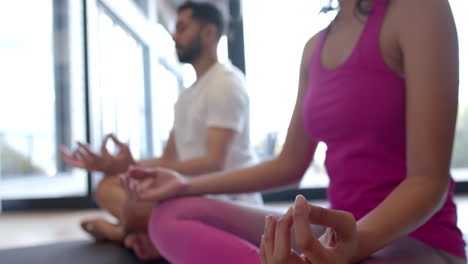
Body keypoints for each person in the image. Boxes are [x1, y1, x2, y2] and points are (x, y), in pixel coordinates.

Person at [121, 0, 467, 263]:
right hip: (339, 231)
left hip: (415, 238)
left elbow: (428, 183)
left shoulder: (418, 10)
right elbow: (289, 164)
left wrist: (357, 241)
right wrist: (184, 185)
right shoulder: (314, 47)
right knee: (171, 214)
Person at [60, 1, 262, 257]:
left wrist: (139, 170)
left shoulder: (226, 83)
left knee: (137, 205)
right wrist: (125, 166)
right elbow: (168, 160)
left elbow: (214, 163)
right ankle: (149, 235)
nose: (174, 37)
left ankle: (123, 233)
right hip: (188, 190)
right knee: (107, 186)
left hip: (226, 199)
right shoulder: (187, 95)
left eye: (182, 28)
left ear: (209, 33)